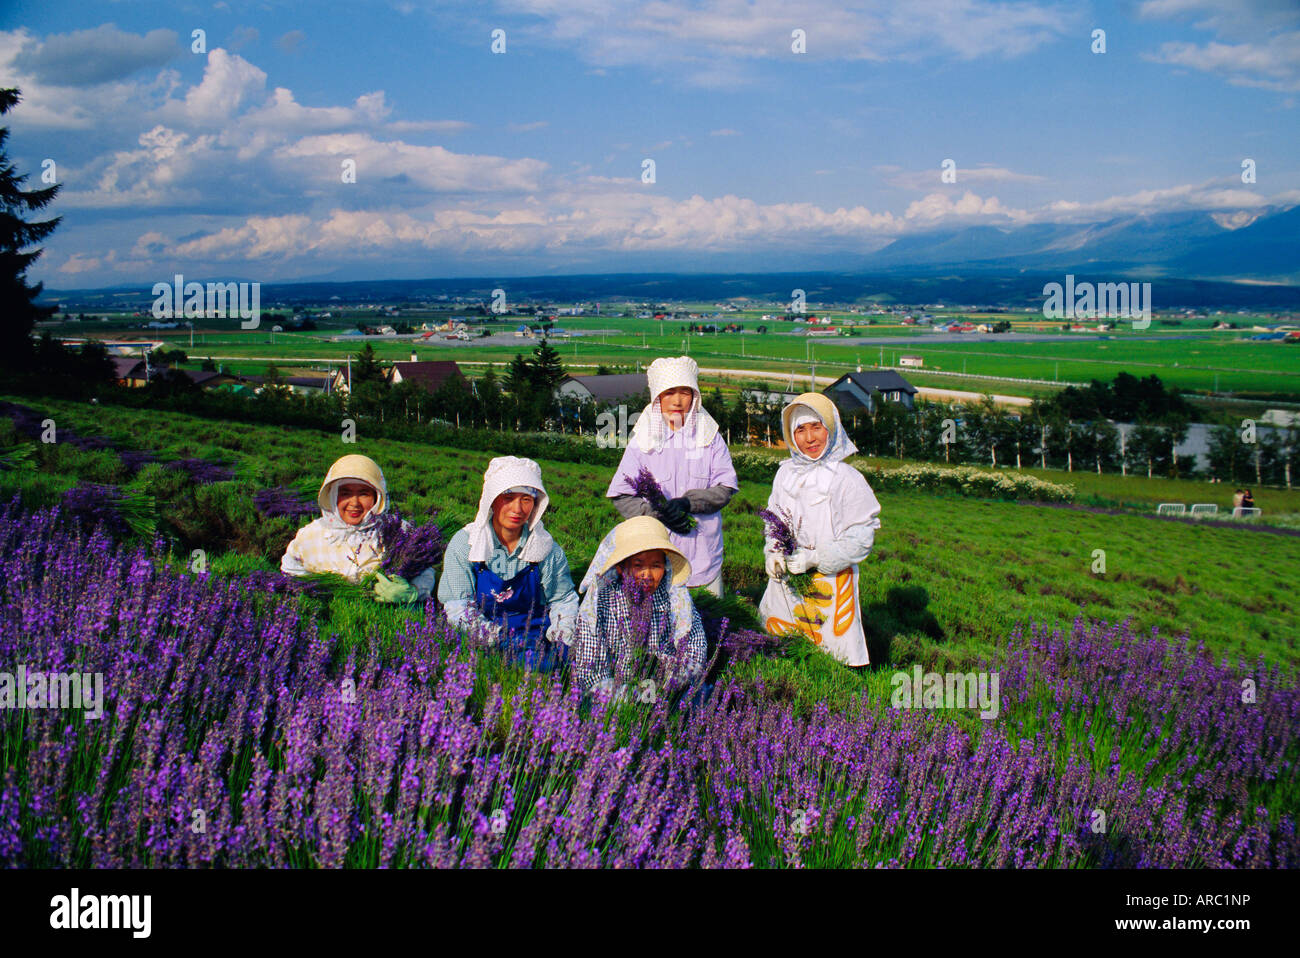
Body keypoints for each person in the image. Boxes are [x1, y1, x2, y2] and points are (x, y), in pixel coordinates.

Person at [759, 393, 881, 666]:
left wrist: (817, 558)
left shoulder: (846, 479)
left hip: (831, 578)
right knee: (782, 645)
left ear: (831, 429)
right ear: (791, 435)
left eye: (817, 427)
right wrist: (774, 552)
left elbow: (862, 538)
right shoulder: (785, 474)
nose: (810, 438)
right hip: (789, 575)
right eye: (800, 430)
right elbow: (775, 519)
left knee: (829, 651)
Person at [606, 356, 738, 598]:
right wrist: (657, 515)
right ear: (657, 397)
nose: (677, 401)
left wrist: (689, 503)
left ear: (695, 396)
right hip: (656, 557)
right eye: (669, 393)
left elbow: (725, 487)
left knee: (709, 622)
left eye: (685, 392)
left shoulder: (710, 438)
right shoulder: (643, 441)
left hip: (704, 555)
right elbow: (622, 494)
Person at [438, 456, 578, 672]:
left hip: (535, 635)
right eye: (508, 497)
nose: (517, 509)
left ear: (536, 504)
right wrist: (496, 638)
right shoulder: (465, 544)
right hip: (482, 636)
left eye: (526, 499)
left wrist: (562, 638)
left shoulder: (545, 548)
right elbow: (458, 606)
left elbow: (563, 600)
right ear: (491, 499)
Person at [572, 516, 707, 696]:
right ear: (620, 567)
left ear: (665, 567)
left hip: (666, 691)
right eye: (638, 565)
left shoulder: (675, 598)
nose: (647, 574)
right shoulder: (600, 602)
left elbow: (696, 650)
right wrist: (631, 698)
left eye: (656, 565)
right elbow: (589, 670)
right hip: (612, 699)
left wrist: (665, 682)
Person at [280, 454, 436, 603]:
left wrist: (412, 592)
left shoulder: (398, 531)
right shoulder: (311, 535)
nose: (354, 502)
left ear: (377, 496)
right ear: (333, 495)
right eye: (345, 493)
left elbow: (425, 572)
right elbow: (291, 570)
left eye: (364, 494)